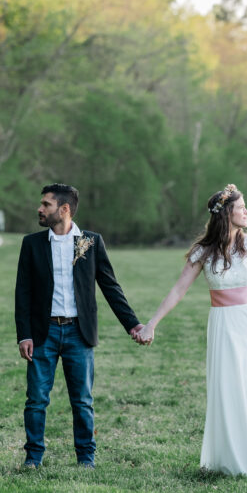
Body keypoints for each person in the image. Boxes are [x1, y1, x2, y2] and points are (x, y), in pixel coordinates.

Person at [134, 183, 247, 477]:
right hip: (224, 326)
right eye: (241, 207)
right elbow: (178, 291)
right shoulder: (203, 252)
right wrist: (152, 323)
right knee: (231, 389)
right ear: (227, 214)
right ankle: (235, 459)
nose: (246, 211)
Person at [15, 182, 144, 468]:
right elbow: (22, 293)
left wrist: (132, 325)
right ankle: (33, 457)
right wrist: (24, 335)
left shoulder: (91, 242)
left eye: (46, 204)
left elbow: (111, 287)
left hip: (79, 334)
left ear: (64, 210)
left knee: (82, 401)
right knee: (36, 399)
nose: (40, 208)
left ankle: (86, 458)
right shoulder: (32, 244)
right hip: (42, 333)